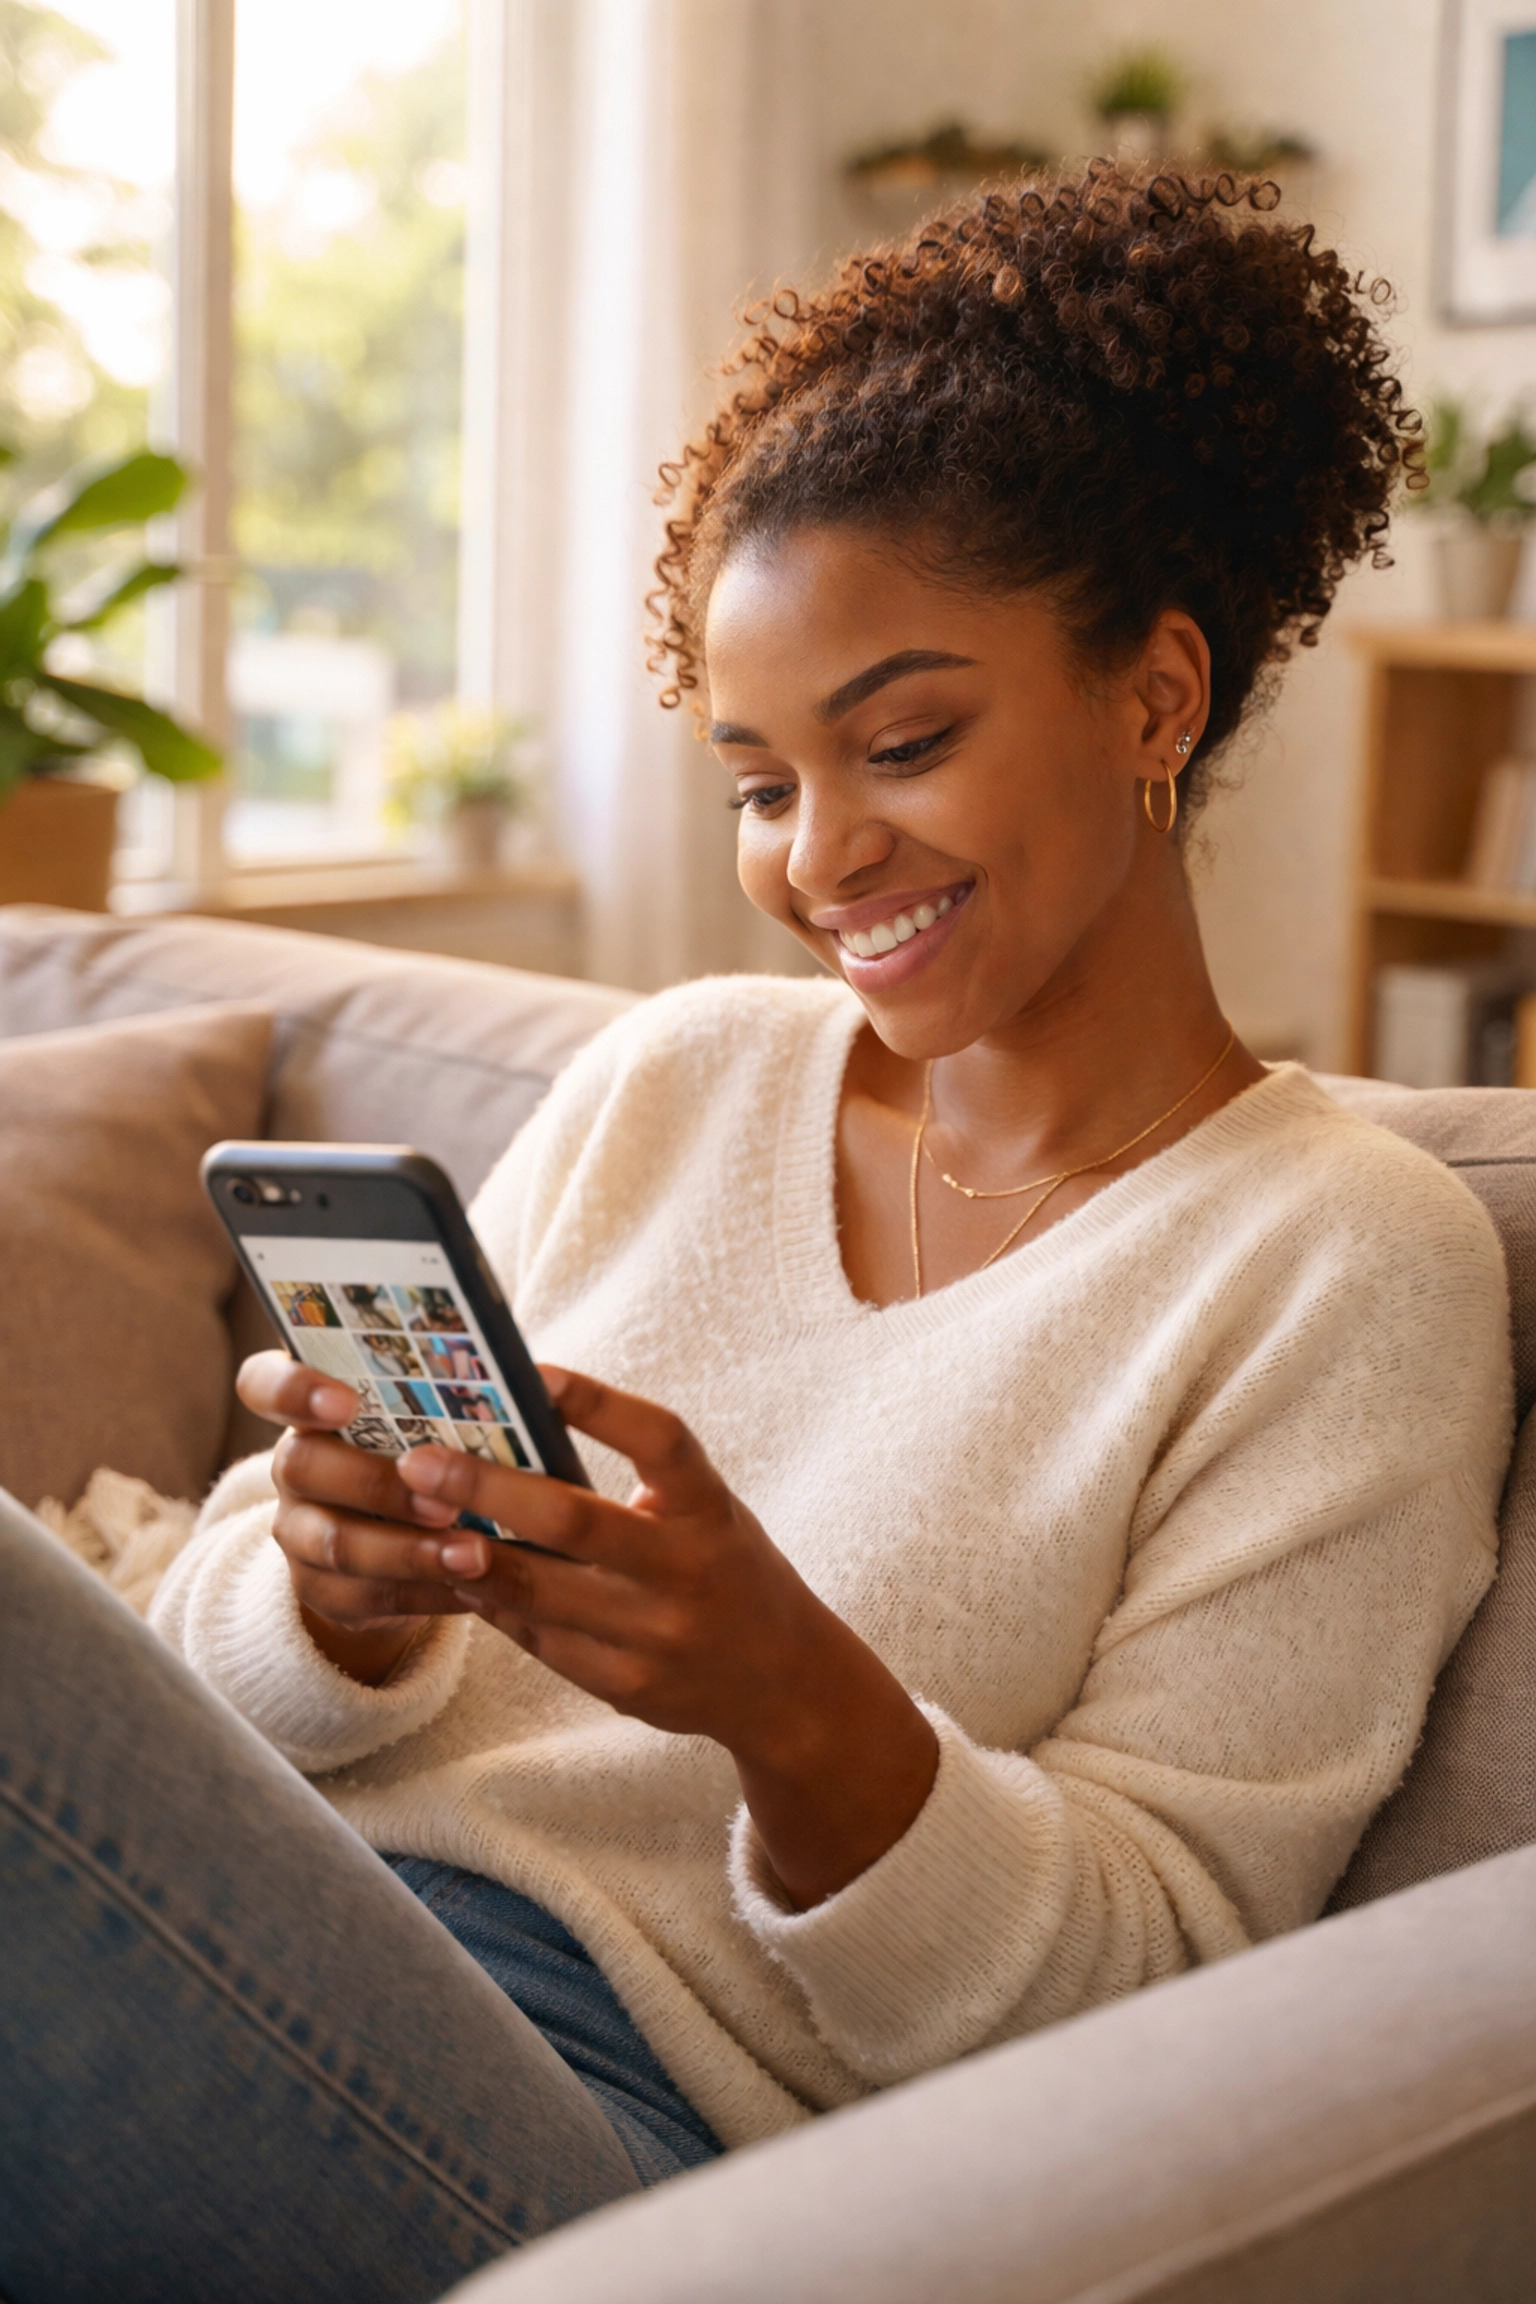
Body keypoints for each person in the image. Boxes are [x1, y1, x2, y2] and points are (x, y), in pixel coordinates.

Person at [0, 167, 1511, 2304]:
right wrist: (332, 1595)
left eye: (904, 742)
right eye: (754, 781)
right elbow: (211, 1666)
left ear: (1157, 696)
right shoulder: (680, 1075)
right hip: (282, 1927)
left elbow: (1163, 2004)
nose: (819, 859)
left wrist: (794, 1704)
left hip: (627, 2141)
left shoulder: (1342, 1262)